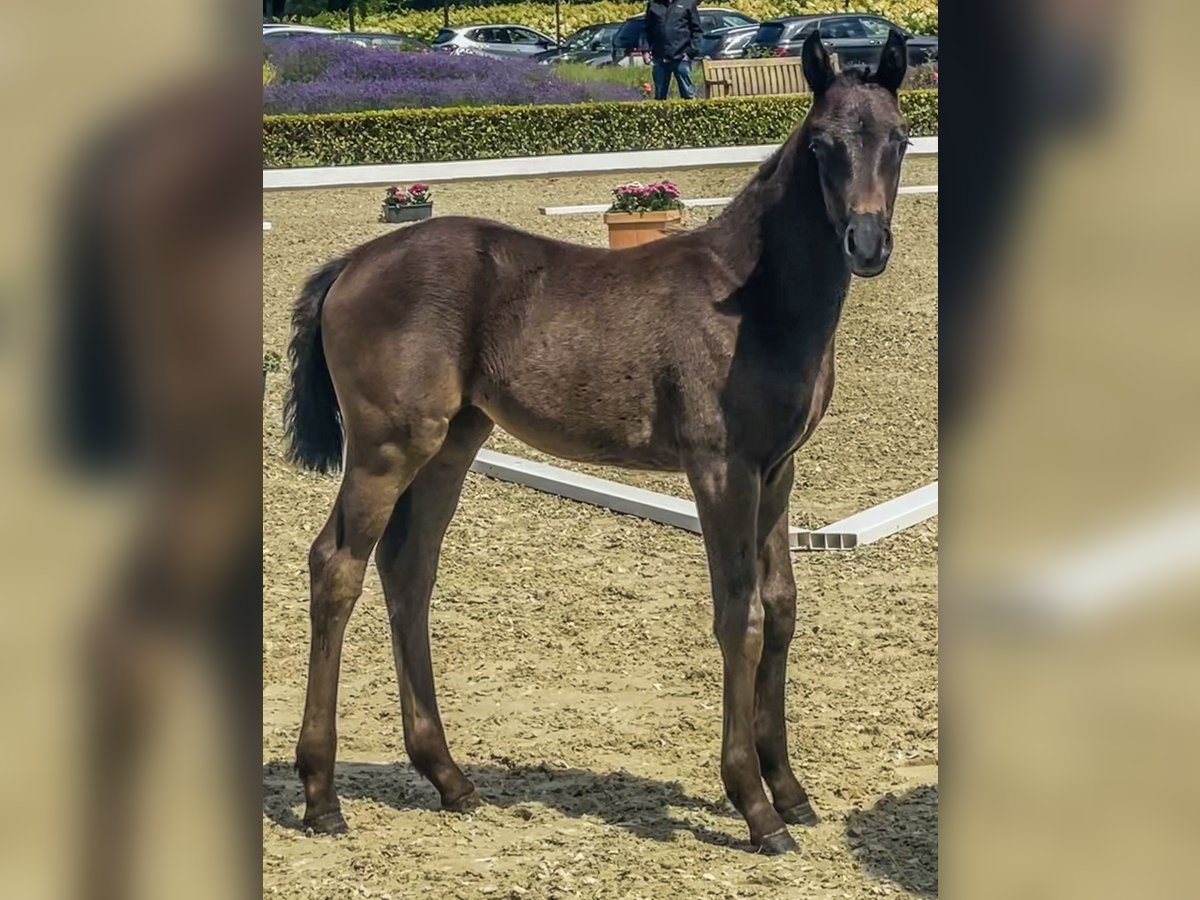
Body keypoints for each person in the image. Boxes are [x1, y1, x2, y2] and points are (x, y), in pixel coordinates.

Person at [643, 0, 703, 100]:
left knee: (688, 95)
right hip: (659, 56)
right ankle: (661, 115)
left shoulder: (687, 3)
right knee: (660, 96)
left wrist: (691, 52)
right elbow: (646, 30)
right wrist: (645, 50)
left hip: (682, 56)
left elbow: (697, 30)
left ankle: (690, 115)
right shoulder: (654, 5)